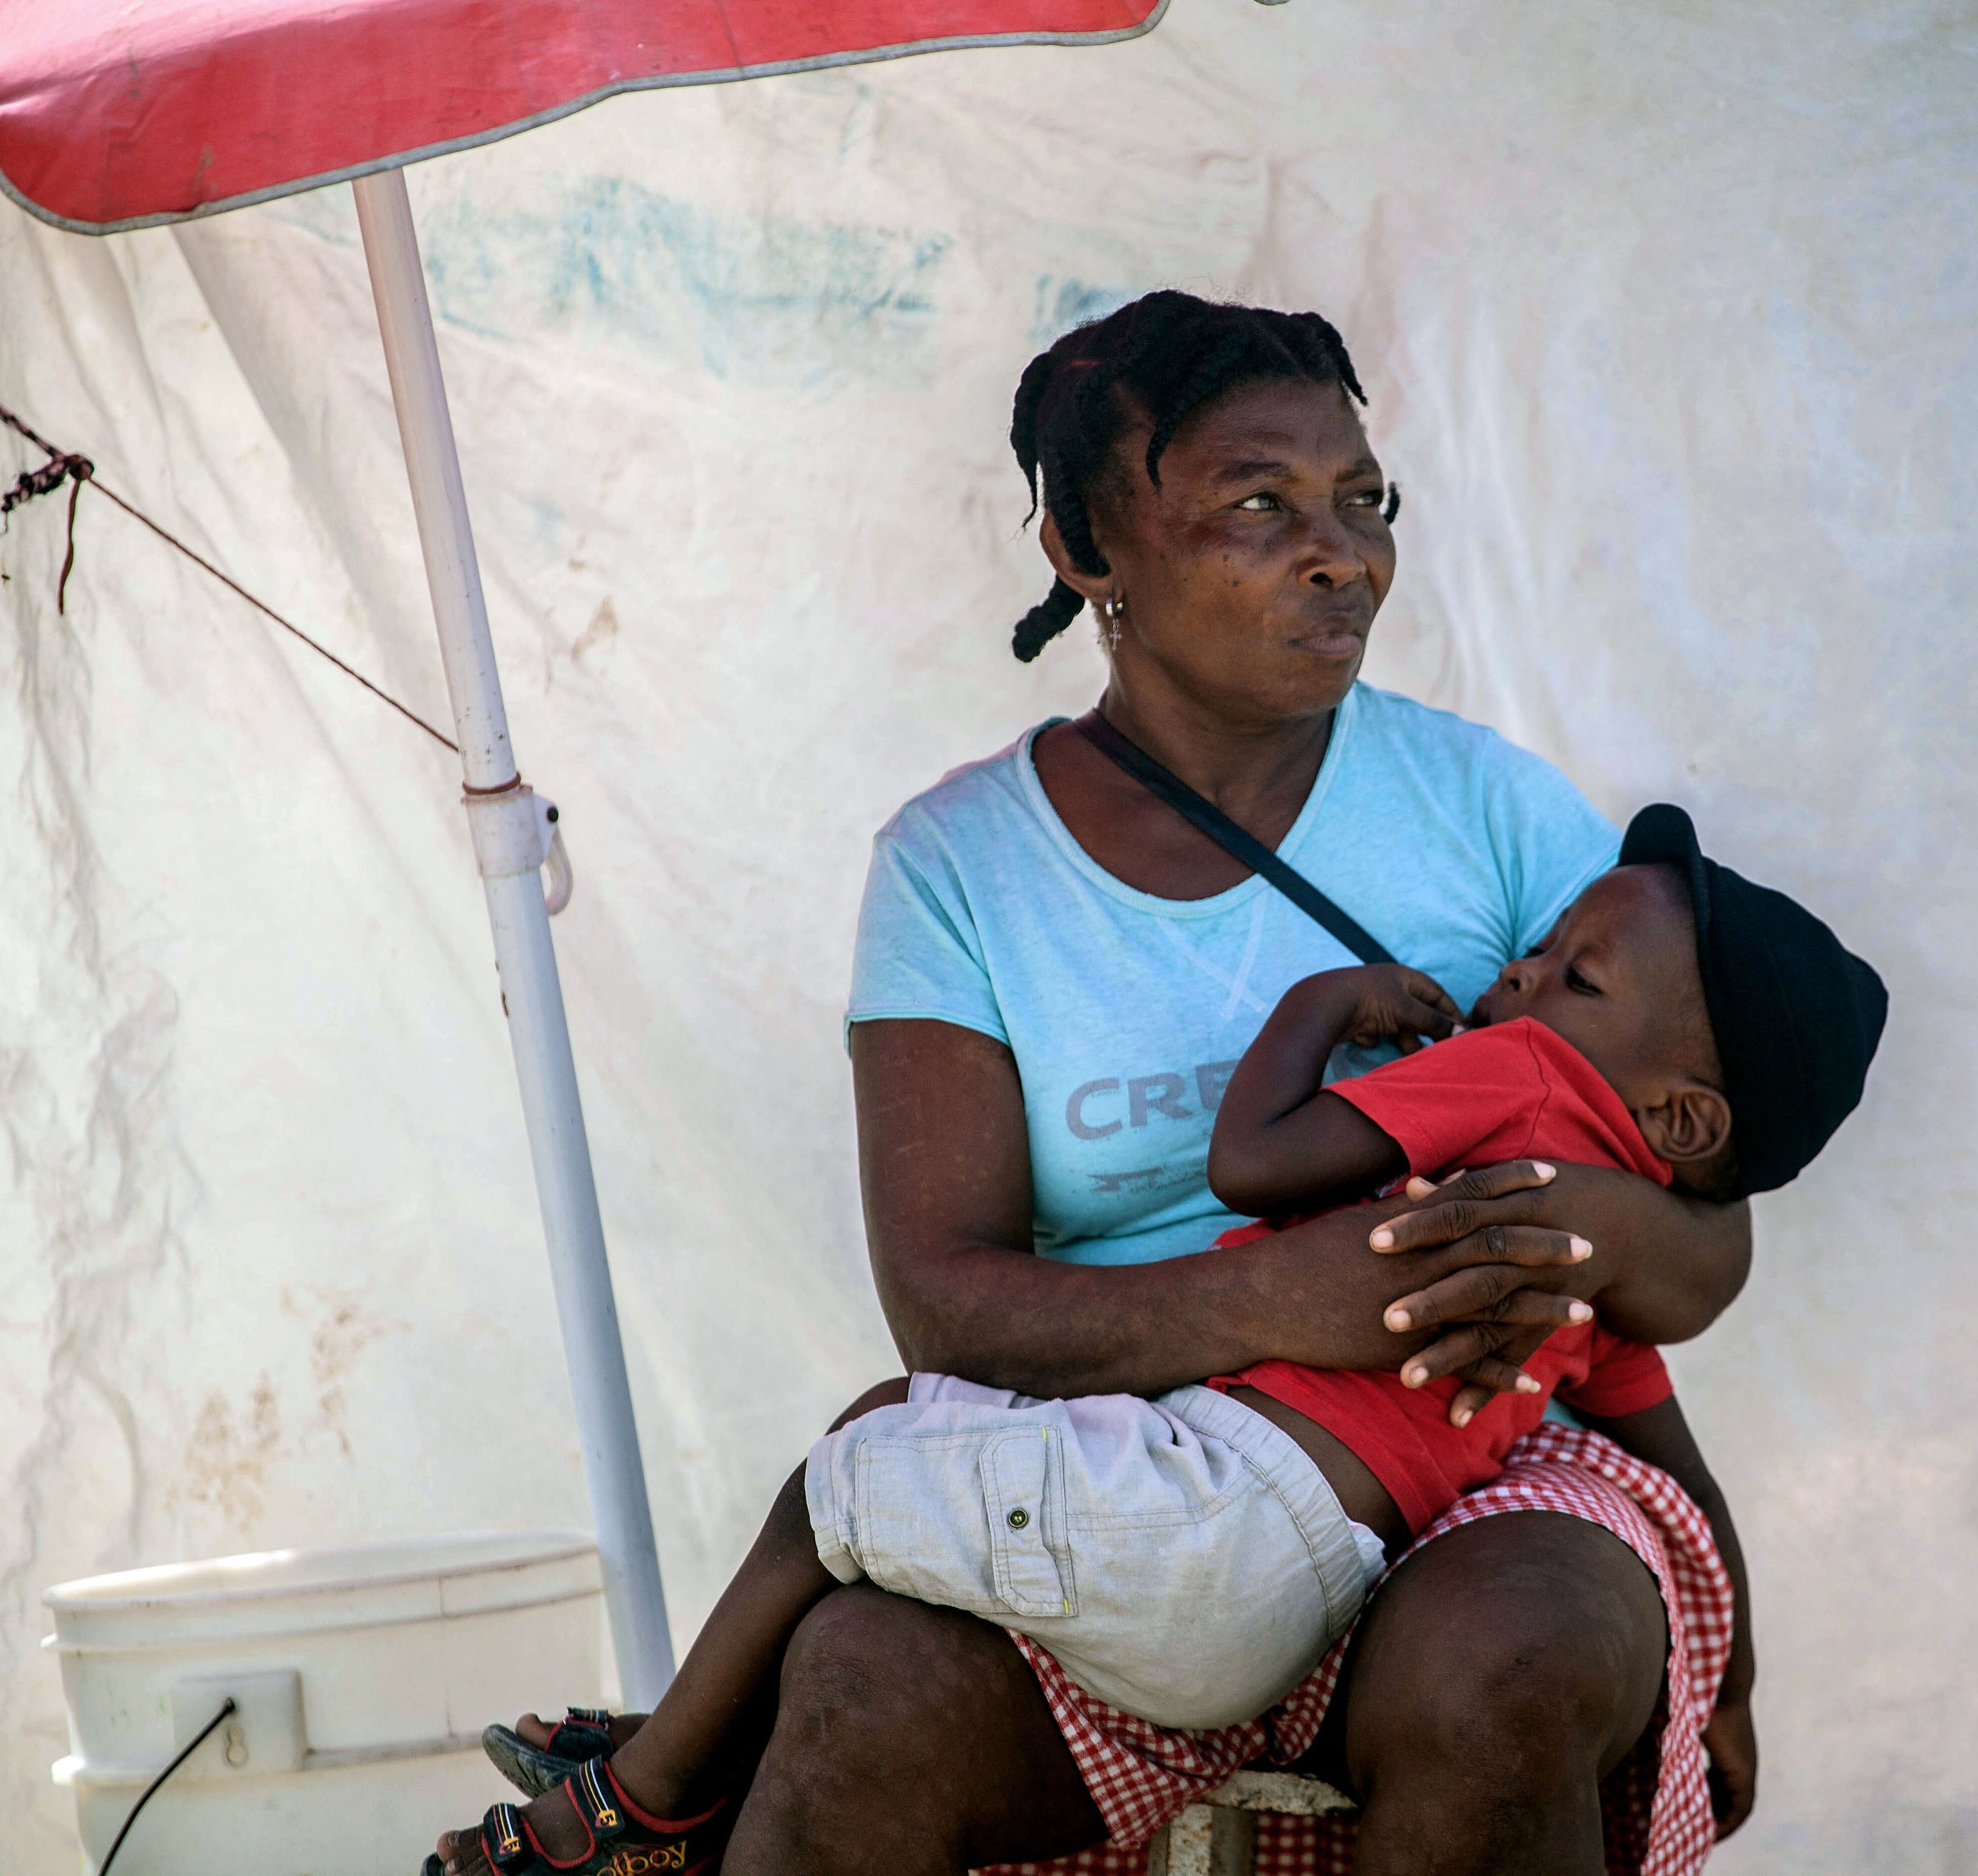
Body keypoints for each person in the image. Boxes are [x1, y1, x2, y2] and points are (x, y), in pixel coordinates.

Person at [449, 290, 1820, 1876]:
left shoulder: (1488, 811)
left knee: (1511, 1662)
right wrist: (1297, 1298)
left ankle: (635, 1797)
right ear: (1091, 548)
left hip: (1478, 1443)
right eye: (1259, 503)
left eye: (1363, 500)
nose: (1343, 552)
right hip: (1112, 1453)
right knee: (862, 1686)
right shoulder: (962, 868)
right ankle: (655, 1818)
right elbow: (950, 1312)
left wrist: (1562, 1225)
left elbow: (1705, 1231)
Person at [425, 811, 1885, 1874]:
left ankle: (637, 1804)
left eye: (1574, 975)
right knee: (883, 1515)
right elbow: (1675, 1467)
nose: (1521, 976)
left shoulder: (1506, 1084)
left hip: (1210, 1519)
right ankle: (667, 1776)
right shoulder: (1578, 1285)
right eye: (1544, 947)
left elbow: (1257, 1167)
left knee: (849, 1467)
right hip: (1315, 1545)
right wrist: (1734, 1681)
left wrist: (1322, 1011)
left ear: (1686, 1119)